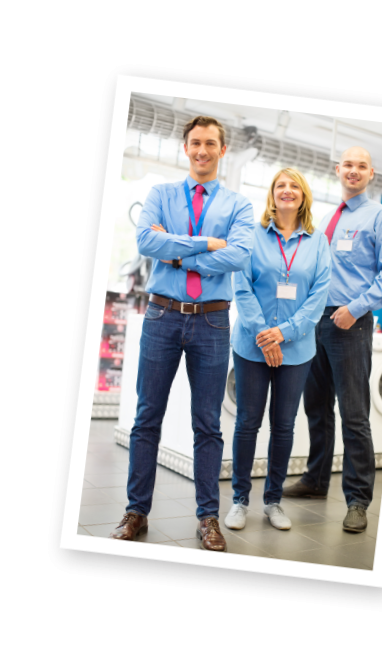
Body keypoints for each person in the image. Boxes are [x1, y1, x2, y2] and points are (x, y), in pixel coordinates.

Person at [110, 116, 254, 552]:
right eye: (195, 142)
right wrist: (207, 244)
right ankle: (137, 511)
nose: (202, 150)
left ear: (222, 150)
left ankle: (208, 517)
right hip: (162, 316)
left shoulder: (238, 205)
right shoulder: (161, 194)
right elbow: (146, 243)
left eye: (211, 143)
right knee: (146, 417)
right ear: (185, 147)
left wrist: (178, 252)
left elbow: (240, 254)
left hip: (212, 320)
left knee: (207, 424)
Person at [283, 147, 382, 533]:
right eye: (347, 165)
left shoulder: (381, 216)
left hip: (350, 323)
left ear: (371, 174)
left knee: (354, 414)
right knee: (316, 407)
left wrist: (356, 307)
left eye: (361, 166)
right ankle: (316, 480)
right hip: (316, 321)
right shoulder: (325, 217)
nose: (353, 171)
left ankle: (357, 500)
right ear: (338, 170)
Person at [225, 168, 331, 532]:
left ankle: (272, 501)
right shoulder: (252, 236)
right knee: (248, 422)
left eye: (294, 186)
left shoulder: (318, 241)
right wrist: (265, 335)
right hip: (251, 346)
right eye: (280, 186)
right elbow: (242, 288)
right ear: (272, 195)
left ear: (303, 196)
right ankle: (239, 500)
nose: (287, 191)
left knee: (283, 426)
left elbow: (319, 296)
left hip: (297, 349)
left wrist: (283, 334)